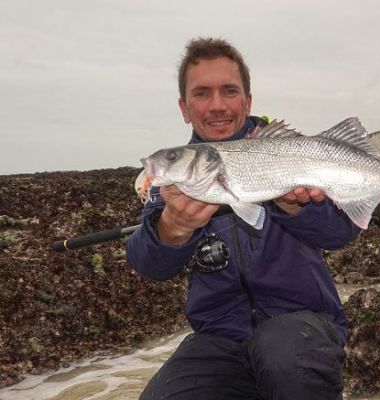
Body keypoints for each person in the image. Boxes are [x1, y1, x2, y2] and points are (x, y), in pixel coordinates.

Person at [126, 37, 361, 400]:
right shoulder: (173, 182)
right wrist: (172, 229)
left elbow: (342, 232)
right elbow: (148, 263)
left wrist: (296, 208)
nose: (217, 105)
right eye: (201, 93)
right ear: (184, 108)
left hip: (303, 326)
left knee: (281, 355)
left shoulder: (290, 150)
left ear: (247, 100)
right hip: (218, 338)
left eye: (229, 91)